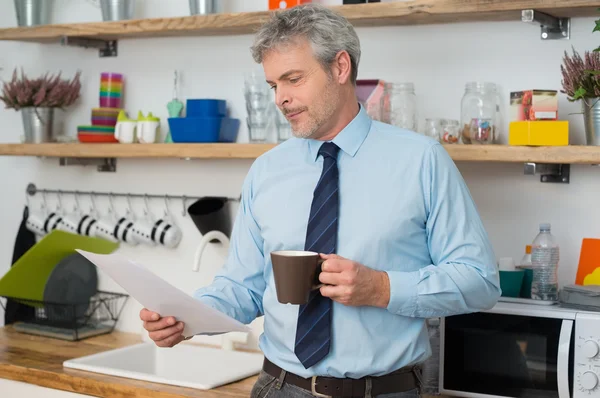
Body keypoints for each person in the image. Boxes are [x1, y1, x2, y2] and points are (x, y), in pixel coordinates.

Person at [140, 4, 501, 397]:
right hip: (279, 387)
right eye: (273, 85)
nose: (281, 99)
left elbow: (479, 280)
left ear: (340, 67)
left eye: (293, 79)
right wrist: (185, 317)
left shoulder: (421, 160)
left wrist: (380, 288)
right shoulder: (266, 170)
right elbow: (243, 287)